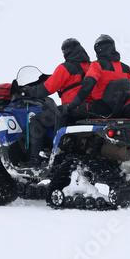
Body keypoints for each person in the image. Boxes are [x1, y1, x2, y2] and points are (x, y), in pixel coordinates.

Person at [22, 38, 91, 167]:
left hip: (70, 109)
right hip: (89, 108)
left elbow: (47, 88)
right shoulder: (91, 66)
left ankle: (36, 159)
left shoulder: (66, 67)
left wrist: (28, 91)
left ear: (67, 51)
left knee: (36, 121)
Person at [65, 34, 130, 119]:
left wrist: (72, 105)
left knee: (61, 110)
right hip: (120, 109)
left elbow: (88, 84)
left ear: (98, 50)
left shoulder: (97, 65)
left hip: (100, 109)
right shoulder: (126, 68)